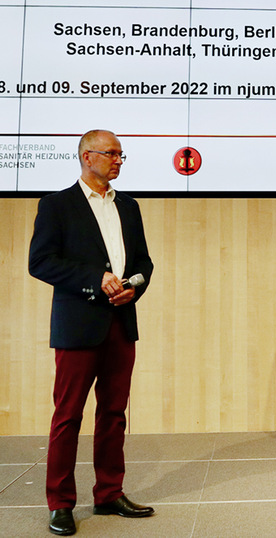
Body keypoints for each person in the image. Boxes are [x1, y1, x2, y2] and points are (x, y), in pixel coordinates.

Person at [29, 130, 155, 535]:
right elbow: (41, 262)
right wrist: (93, 278)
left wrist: (134, 286)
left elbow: (144, 263)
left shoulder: (130, 207)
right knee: (68, 416)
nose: (119, 160)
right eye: (112, 153)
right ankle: (60, 503)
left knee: (114, 414)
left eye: (121, 154)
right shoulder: (56, 205)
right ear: (87, 156)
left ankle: (109, 493)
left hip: (121, 323)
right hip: (78, 325)